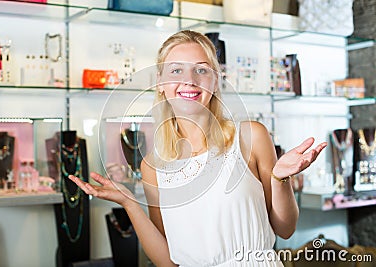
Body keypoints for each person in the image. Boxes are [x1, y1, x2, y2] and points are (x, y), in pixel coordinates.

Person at [69, 30, 327, 266]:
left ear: (215, 81)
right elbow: (168, 261)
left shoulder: (250, 137)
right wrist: (130, 204)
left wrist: (281, 180)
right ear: (160, 83)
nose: (189, 80)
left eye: (201, 70)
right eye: (176, 71)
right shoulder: (152, 167)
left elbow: (285, 229)